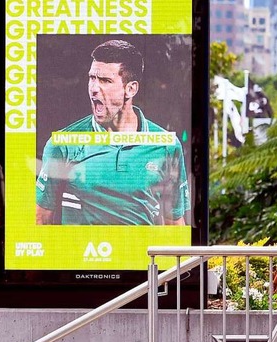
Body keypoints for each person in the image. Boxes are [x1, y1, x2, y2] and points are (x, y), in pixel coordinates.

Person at [36, 39, 190, 226]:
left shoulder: (167, 146)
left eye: (105, 80)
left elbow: (174, 224)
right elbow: (41, 220)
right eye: (92, 78)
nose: (94, 88)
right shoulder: (62, 144)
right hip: (79, 254)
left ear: (130, 89)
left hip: (141, 255)